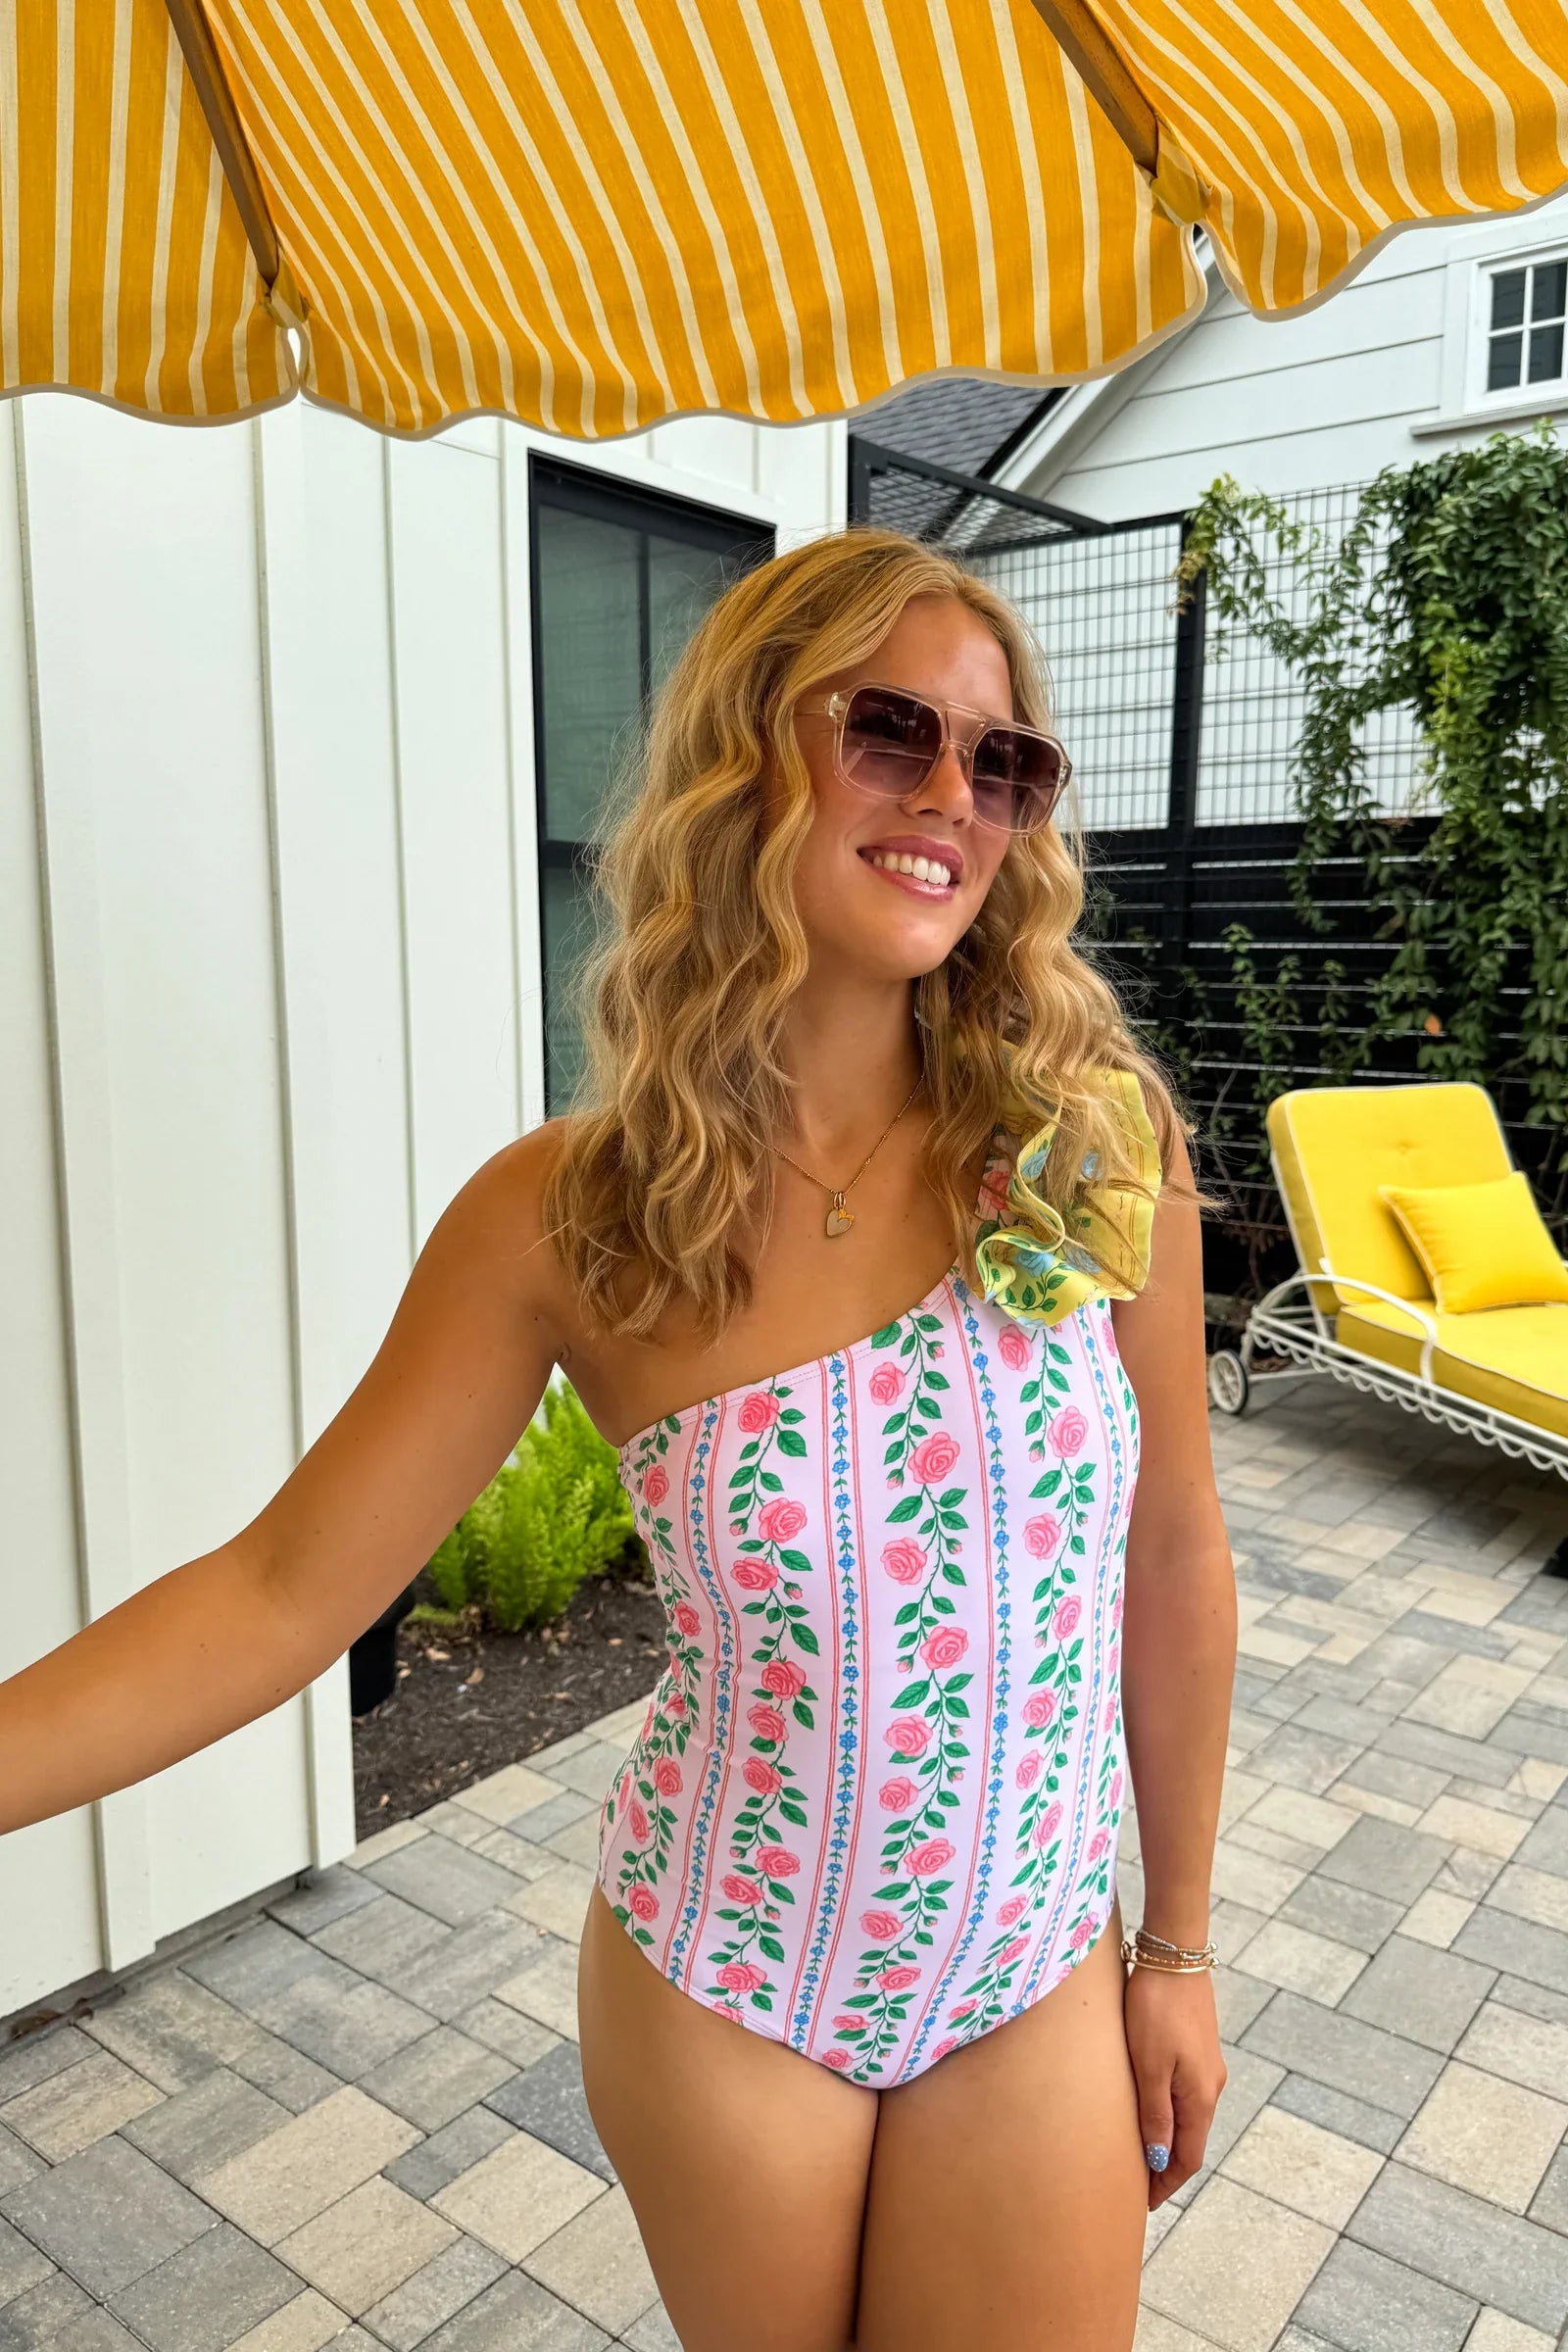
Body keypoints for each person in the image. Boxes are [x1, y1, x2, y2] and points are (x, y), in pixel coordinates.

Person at [0, 527, 1238, 2352]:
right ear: (747, 753)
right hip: (728, 1983)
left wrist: (1179, 1943)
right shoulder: (577, 1215)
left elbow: (1175, 1546)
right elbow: (278, 1592)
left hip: (1031, 1961)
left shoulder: (1089, 1139)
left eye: (1002, 762)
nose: (951, 800)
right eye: (890, 730)